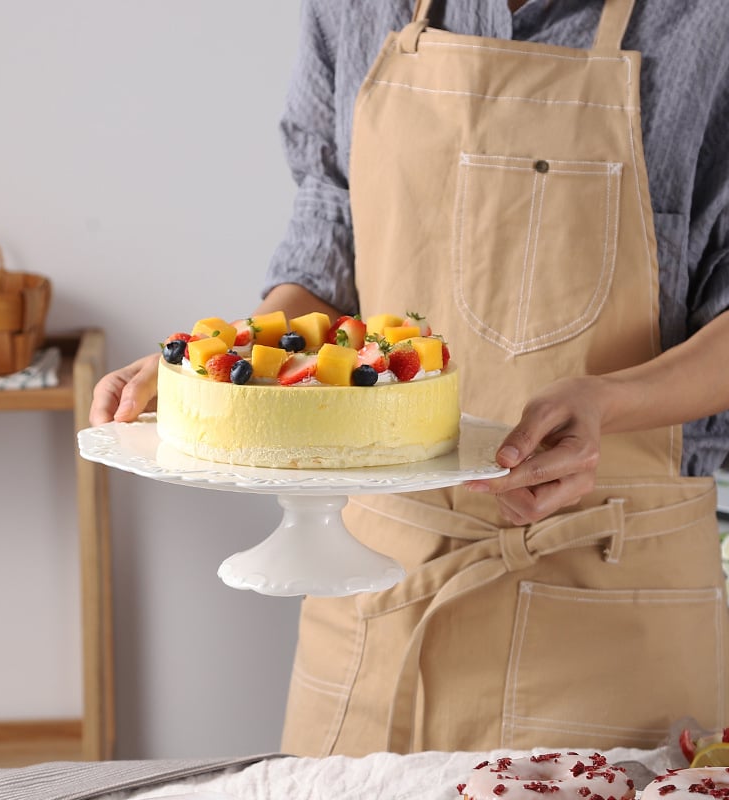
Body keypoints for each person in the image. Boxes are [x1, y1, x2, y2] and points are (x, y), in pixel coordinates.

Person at [91, 0, 729, 757]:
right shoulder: (356, 8)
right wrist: (224, 365)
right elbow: (331, 231)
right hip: (374, 586)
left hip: (609, 598)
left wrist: (609, 401)